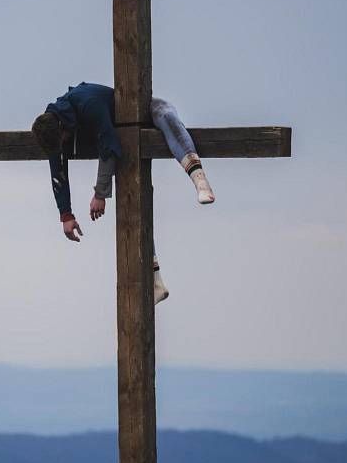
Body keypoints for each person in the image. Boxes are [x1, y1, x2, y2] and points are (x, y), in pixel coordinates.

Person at [30, 82, 215, 304]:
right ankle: (155, 279)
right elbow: (57, 169)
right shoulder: (51, 126)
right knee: (132, 204)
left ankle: (199, 179)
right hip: (118, 139)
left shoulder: (88, 105)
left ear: (62, 129)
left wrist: (100, 194)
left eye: (62, 140)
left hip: (143, 113)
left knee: (165, 115)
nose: (64, 144)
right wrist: (66, 215)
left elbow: (108, 146)